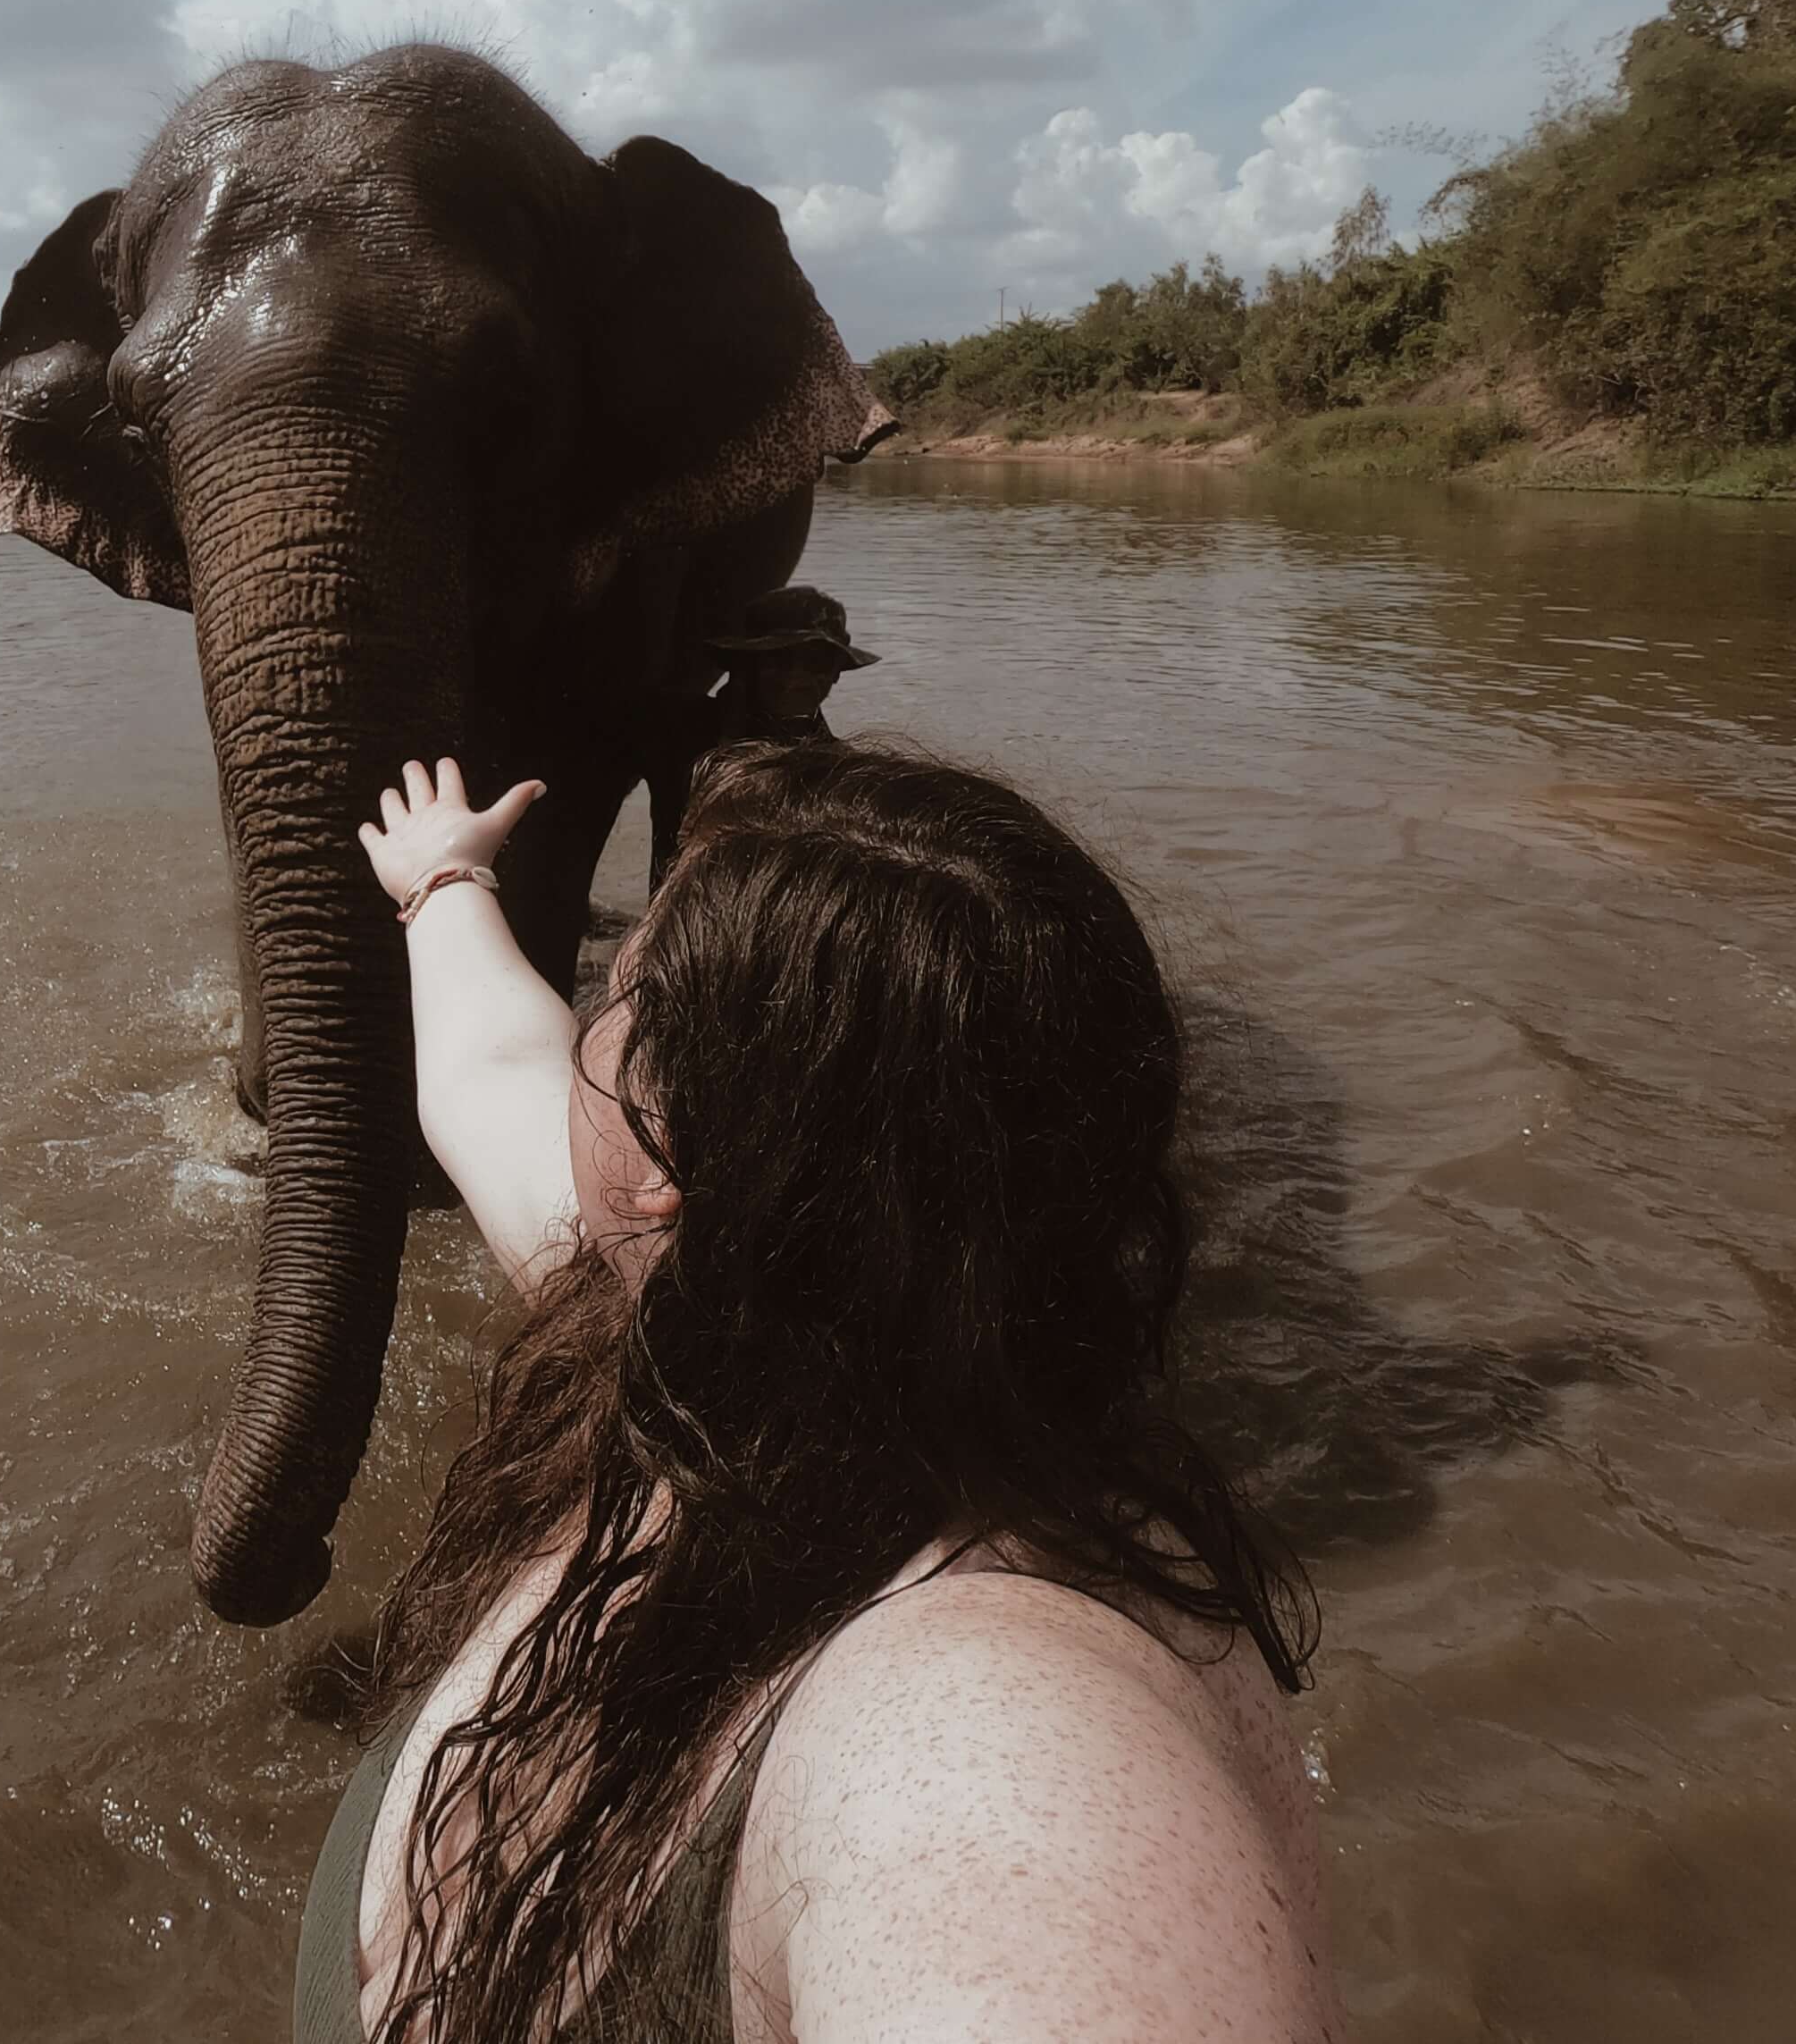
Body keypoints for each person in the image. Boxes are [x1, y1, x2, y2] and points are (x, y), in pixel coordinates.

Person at [303, 741, 1339, 2044]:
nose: (584, 1035)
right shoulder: (706, 1355)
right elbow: (492, 1070)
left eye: (618, 999)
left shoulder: (992, 1748)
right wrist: (442, 881)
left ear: (670, 1149)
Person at [641, 585, 878, 888]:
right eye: (778, 660)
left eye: (816, 663)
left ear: (835, 673)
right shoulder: (679, 729)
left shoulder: (839, 771)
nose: (795, 677)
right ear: (747, 665)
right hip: (679, 921)